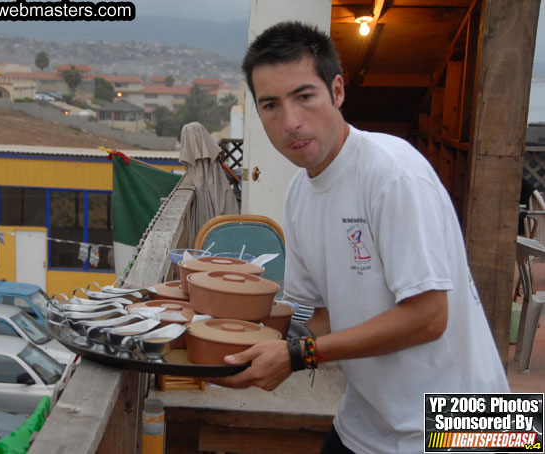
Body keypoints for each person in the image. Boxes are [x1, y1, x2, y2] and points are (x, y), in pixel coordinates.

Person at [210, 21, 510, 454]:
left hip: (470, 426)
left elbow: (429, 316)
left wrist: (300, 357)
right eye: (271, 105)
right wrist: (229, 339)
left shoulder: (394, 173)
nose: (291, 121)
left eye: (304, 96)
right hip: (369, 420)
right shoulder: (299, 194)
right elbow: (323, 316)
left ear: (336, 92)